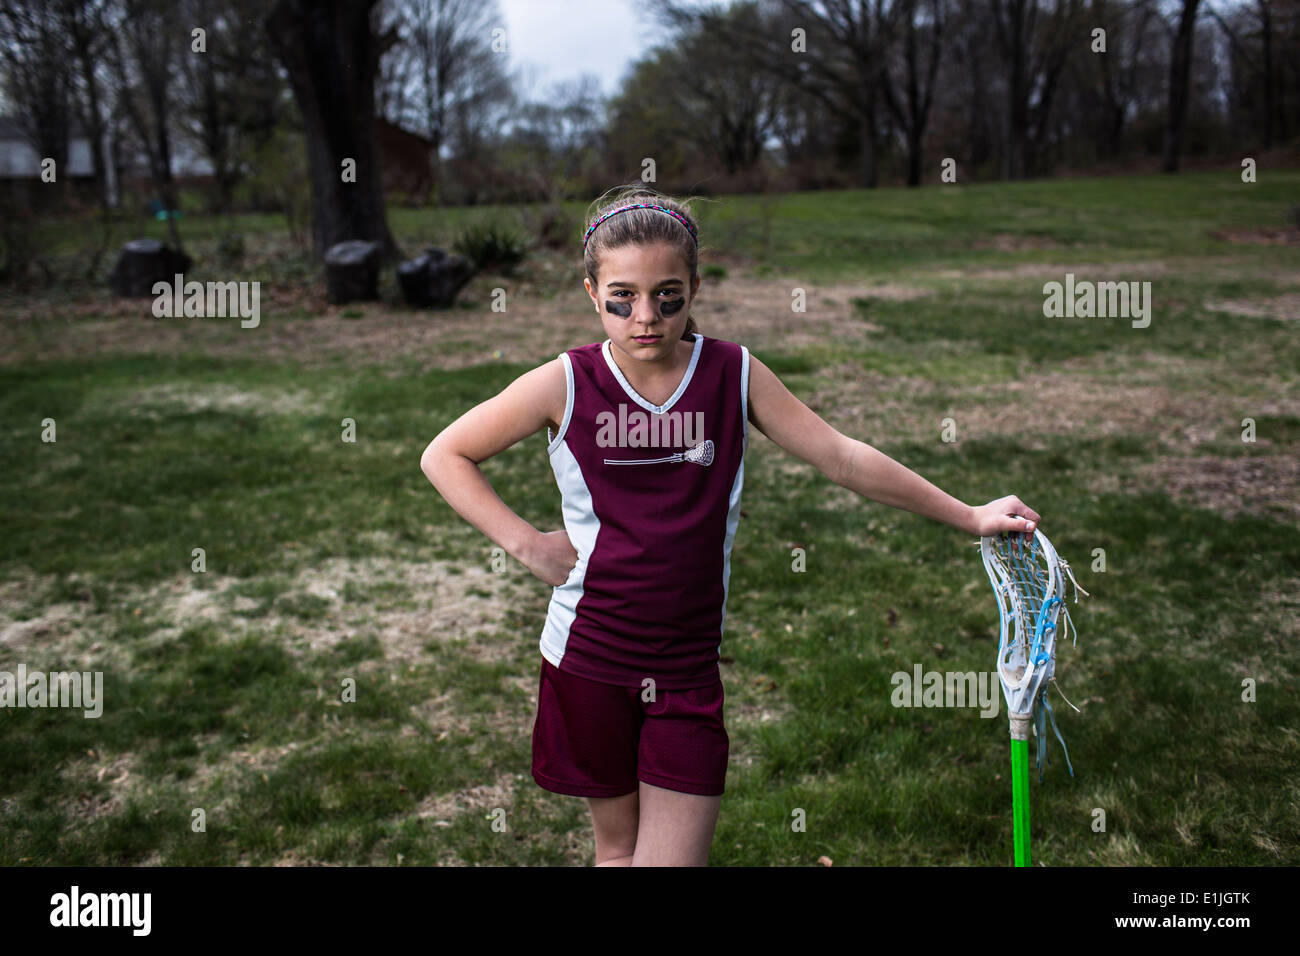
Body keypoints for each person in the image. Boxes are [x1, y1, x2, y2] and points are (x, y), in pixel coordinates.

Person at [420, 185, 1040, 866]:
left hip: (687, 667)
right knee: (617, 852)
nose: (646, 317)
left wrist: (970, 515)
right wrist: (527, 545)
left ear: (694, 288)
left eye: (668, 295)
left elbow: (843, 457)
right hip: (589, 658)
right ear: (592, 291)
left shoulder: (733, 374)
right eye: (622, 296)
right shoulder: (563, 384)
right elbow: (445, 453)